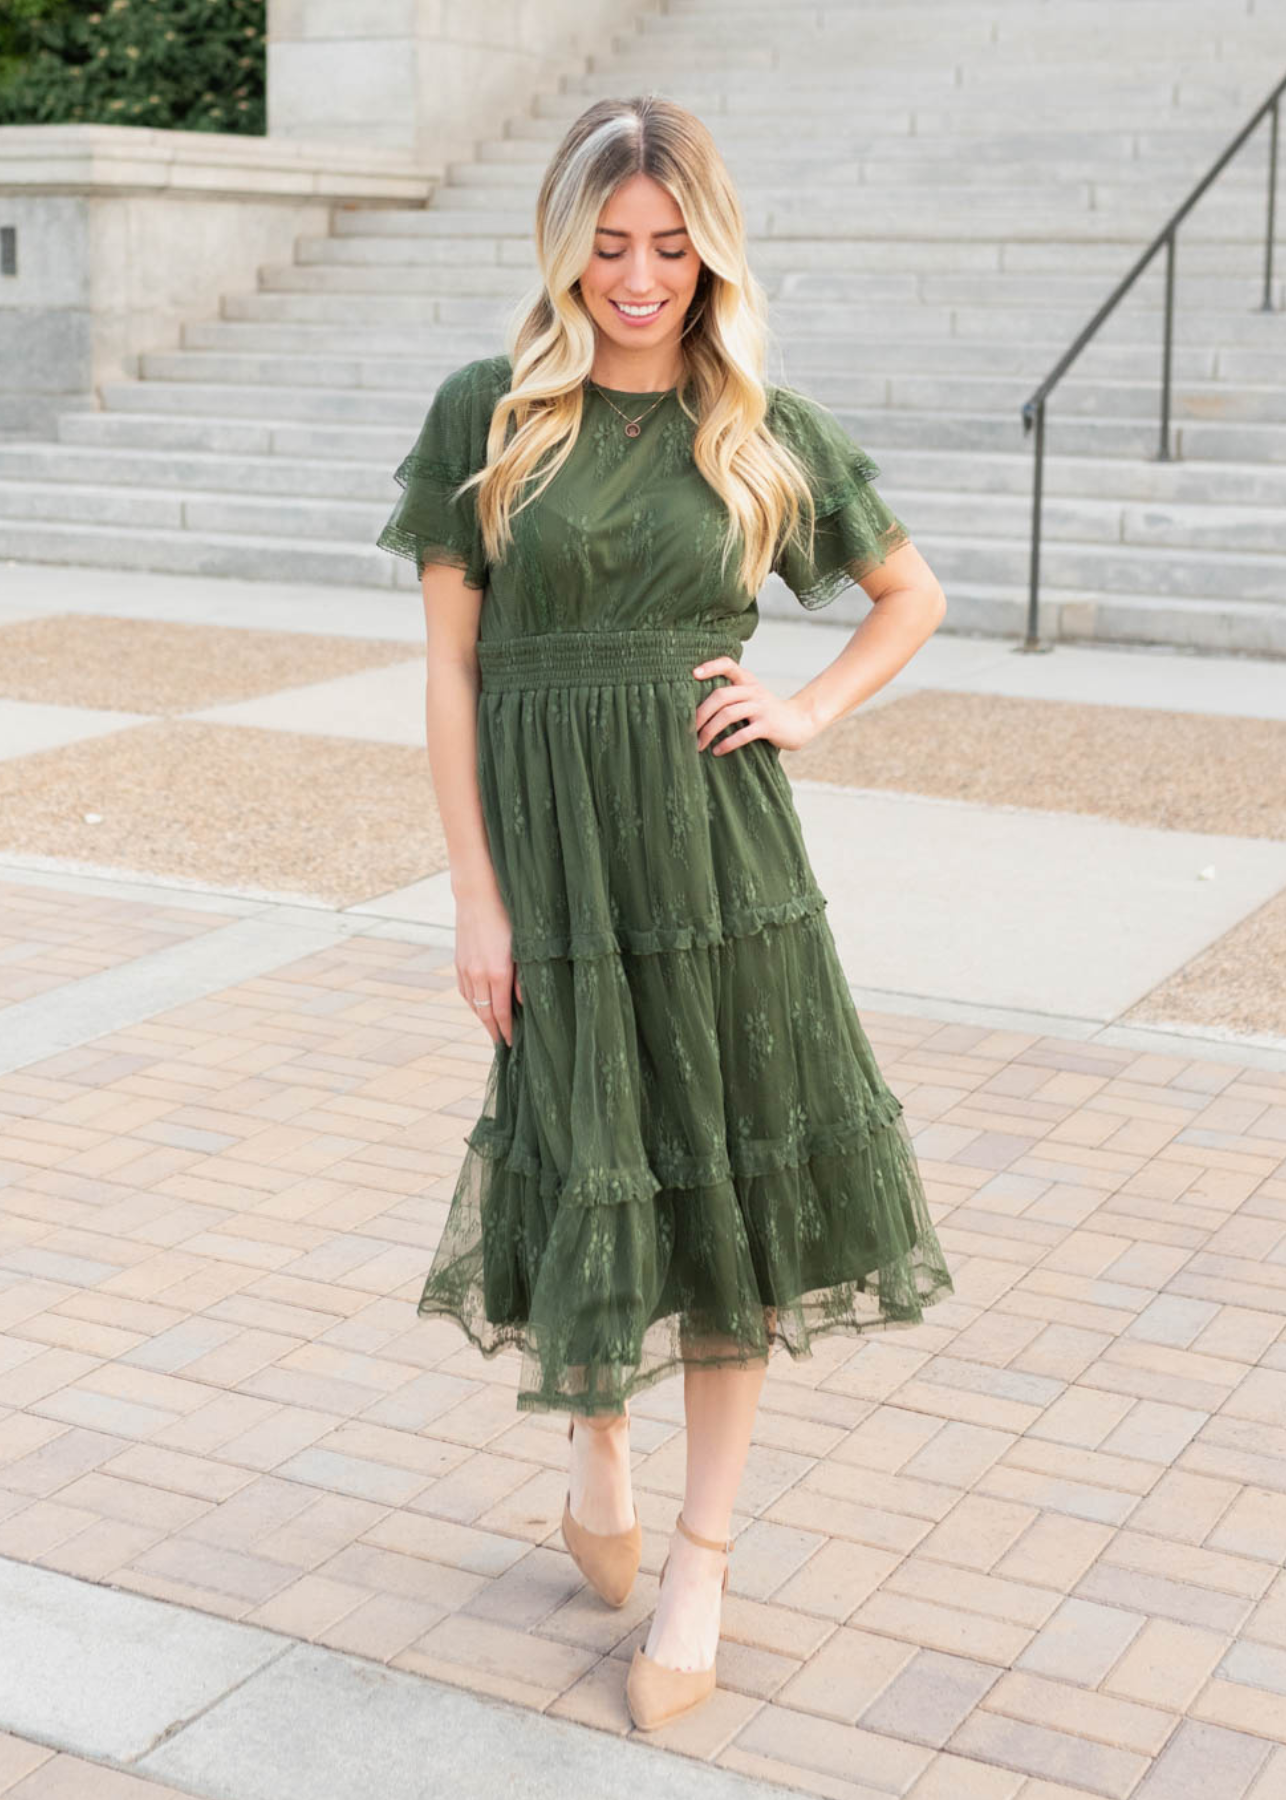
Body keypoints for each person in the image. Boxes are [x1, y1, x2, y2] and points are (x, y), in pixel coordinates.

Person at [376, 93, 953, 1733]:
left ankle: (703, 1555)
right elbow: (447, 666)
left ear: (710, 251)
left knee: (721, 1190)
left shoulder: (758, 421)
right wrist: (474, 898)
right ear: (566, 247)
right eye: (611, 246)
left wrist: (812, 705)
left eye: (670, 248)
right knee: (584, 1153)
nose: (640, 279)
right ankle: (596, 1436)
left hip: (717, 868)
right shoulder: (488, 413)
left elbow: (908, 592)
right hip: (550, 870)